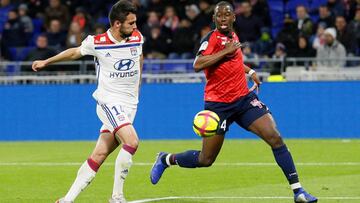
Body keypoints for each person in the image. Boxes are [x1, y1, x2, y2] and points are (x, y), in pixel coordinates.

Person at [150, 2, 318, 203]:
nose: (223, 18)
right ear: (214, 18)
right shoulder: (211, 39)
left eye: (226, 15)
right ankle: (166, 159)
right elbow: (197, 64)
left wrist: (251, 72)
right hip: (218, 105)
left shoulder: (232, 37)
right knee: (206, 159)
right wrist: (224, 51)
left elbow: (234, 61)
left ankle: (298, 191)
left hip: (243, 100)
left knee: (275, 137)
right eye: (219, 15)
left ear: (233, 18)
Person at [32, 1, 143, 202]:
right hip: (109, 101)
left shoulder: (137, 37)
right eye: (131, 23)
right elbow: (74, 52)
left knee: (99, 155)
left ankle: (67, 199)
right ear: (117, 24)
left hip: (129, 104)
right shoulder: (97, 42)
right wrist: (46, 62)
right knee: (132, 142)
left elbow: (139, 59)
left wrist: (137, 90)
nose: (135, 27)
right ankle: (117, 197)